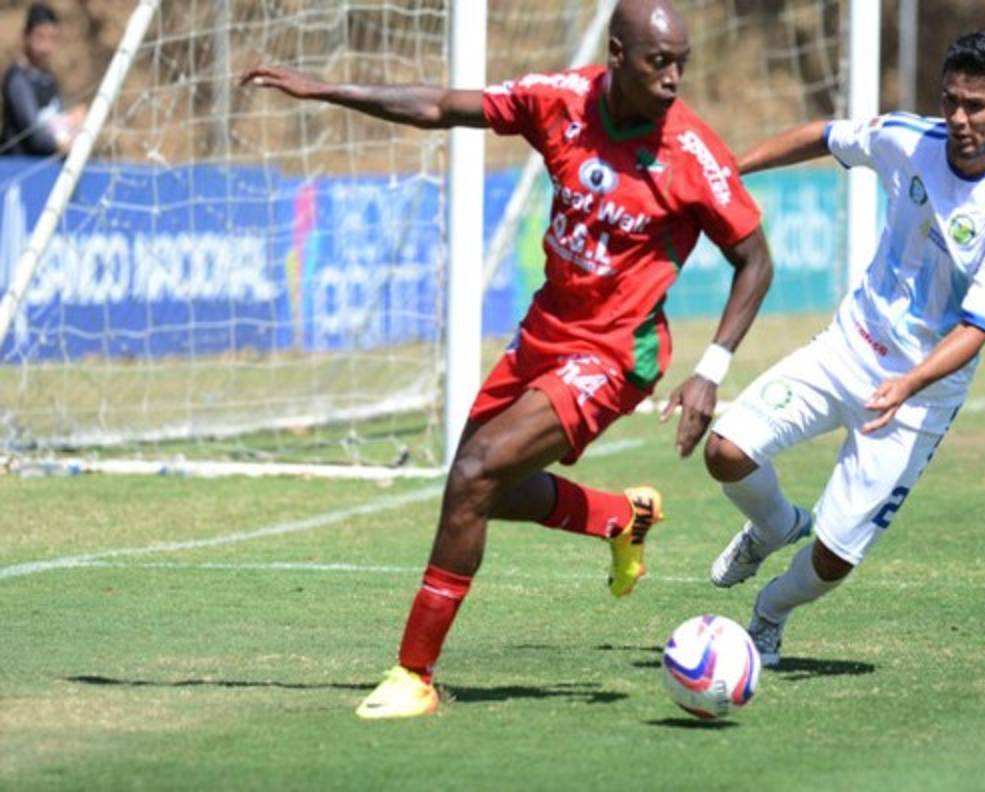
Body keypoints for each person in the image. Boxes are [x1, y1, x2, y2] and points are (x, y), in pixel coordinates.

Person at [241, 0, 774, 718]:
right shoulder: (559, 102)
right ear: (617, 55)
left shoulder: (692, 155)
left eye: (682, 63)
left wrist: (711, 370)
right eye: (659, 63)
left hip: (617, 354)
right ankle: (619, 516)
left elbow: (755, 260)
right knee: (475, 487)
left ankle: (414, 675)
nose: (675, 78)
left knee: (474, 473)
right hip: (546, 331)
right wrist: (327, 88)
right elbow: (438, 105)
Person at [704, 31, 985, 666]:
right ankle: (774, 526)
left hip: (917, 399)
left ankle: (769, 615)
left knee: (833, 560)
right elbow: (825, 135)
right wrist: (733, 170)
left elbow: (975, 328)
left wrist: (908, 385)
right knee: (725, 451)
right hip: (845, 348)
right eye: (952, 102)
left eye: (978, 107)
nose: (961, 120)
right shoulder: (910, 140)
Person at [0, 3, 86, 157]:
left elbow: (54, 119)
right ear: (26, 36)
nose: (45, 47)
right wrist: (63, 146)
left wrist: (72, 122)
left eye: (52, 38)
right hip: (18, 168)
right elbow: (33, 134)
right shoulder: (18, 79)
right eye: (40, 37)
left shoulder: (48, 78)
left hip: (47, 167)